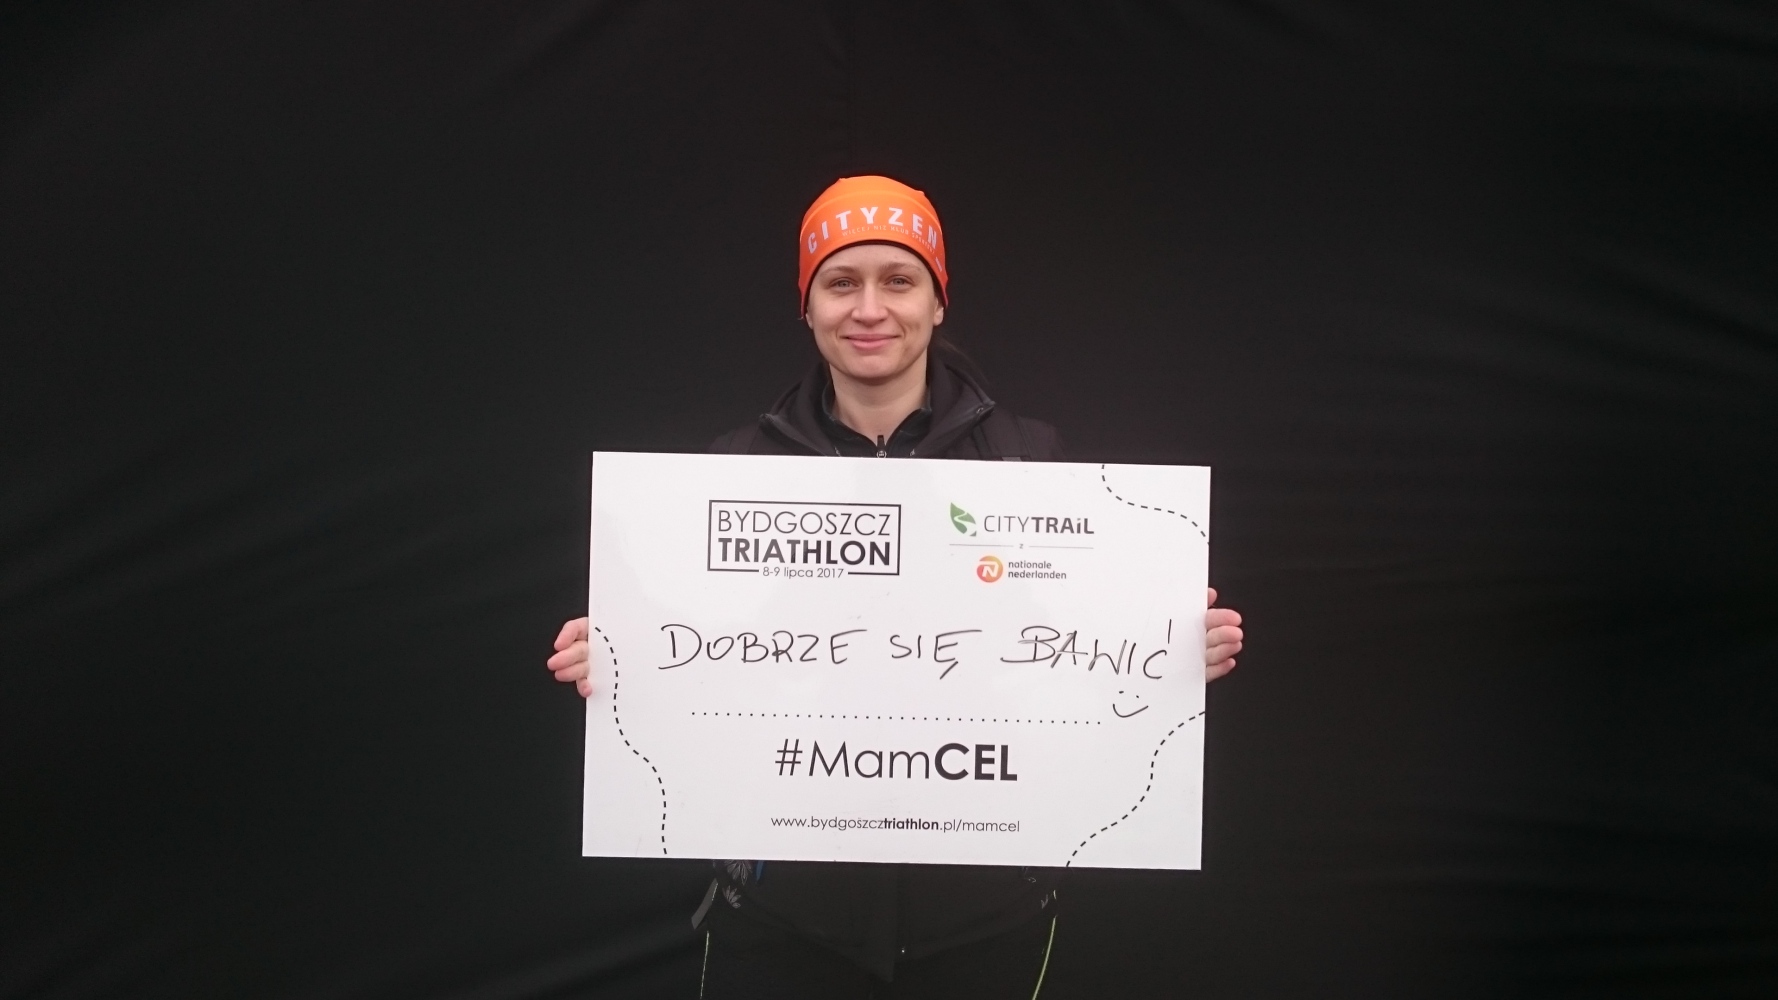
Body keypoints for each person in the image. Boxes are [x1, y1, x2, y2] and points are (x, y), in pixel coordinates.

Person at [546, 175, 1245, 998]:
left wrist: (1169, 652)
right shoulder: (733, 468)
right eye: (841, 282)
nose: (869, 309)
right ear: (807, 306)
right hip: (781, 919)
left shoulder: (1030, 459)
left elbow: (1084, 656)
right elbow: (692, 656)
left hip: (985, 921)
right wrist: (616, 654)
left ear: (939, 301)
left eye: (900, 280)